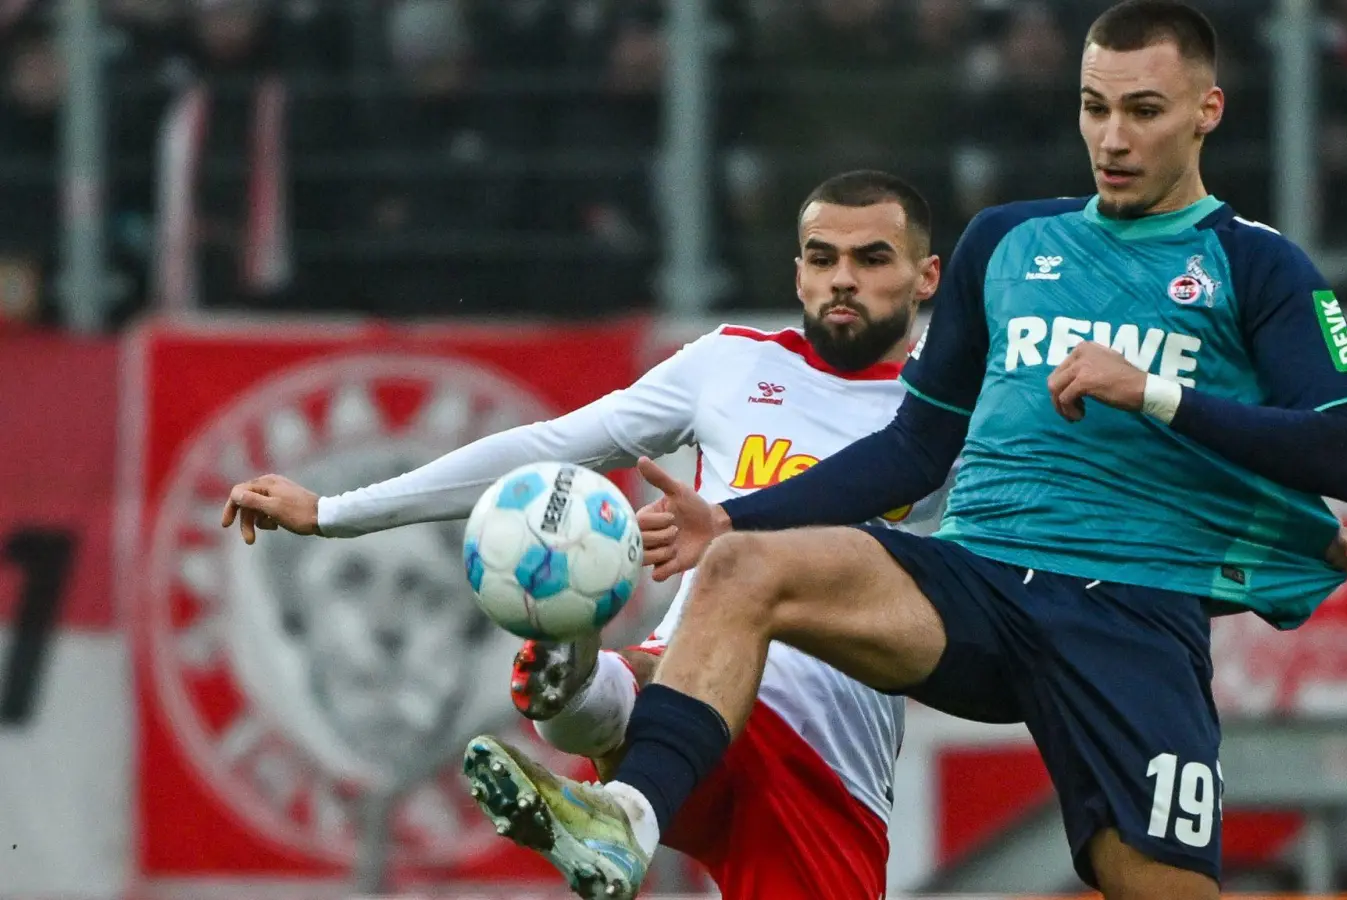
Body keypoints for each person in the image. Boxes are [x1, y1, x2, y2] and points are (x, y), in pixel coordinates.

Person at [474, 2, 1347, 899]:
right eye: (1094, 107)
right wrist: (729, 517)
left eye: (1144, 111)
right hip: (977, 582)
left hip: (1129, 625)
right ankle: (627, 821)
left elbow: (1340, 451)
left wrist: (1154, 391)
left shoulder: (1258, 266)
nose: (1112, 137)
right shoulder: (1007, 242)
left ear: (1206, 111)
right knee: (743, 568)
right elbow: (914, 447)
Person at [220, 170, 951, 900]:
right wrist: (334, 511)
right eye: (823, 259)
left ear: (927, 278)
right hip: (695, 685)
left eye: (872, 259)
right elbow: (553, 445)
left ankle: (580, 687)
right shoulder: (733, 364)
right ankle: (577, 667)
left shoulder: (958, 412)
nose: (842, 279)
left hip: (827, 749)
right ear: (797, 273)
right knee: (652, 675)